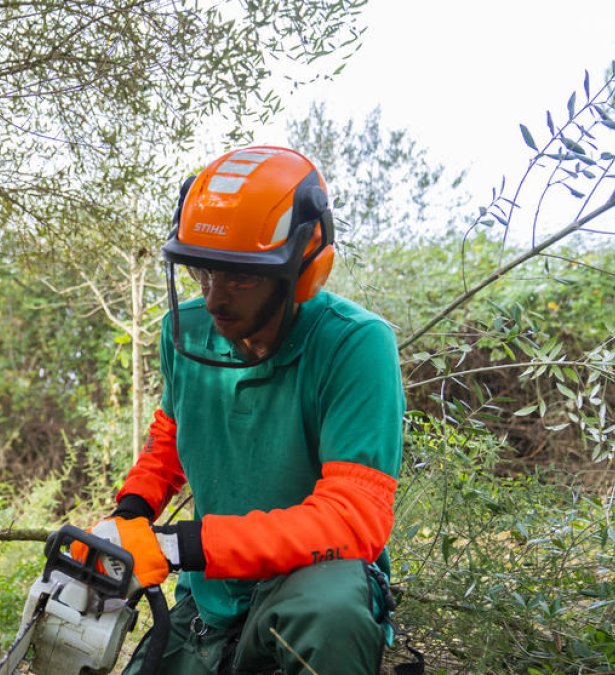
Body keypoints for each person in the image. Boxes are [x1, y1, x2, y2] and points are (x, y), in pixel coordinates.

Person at [86, 146, 405, 674]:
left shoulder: (355, 345)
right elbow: (170, 435)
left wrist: (181, 545)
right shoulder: (184, 332)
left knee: (330, 613)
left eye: (241, 278)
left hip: (306, 584)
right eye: (203, 273)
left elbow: (354, 517)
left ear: (300, 269)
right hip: (211, 591)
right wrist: (133, 511)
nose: (214, 299)